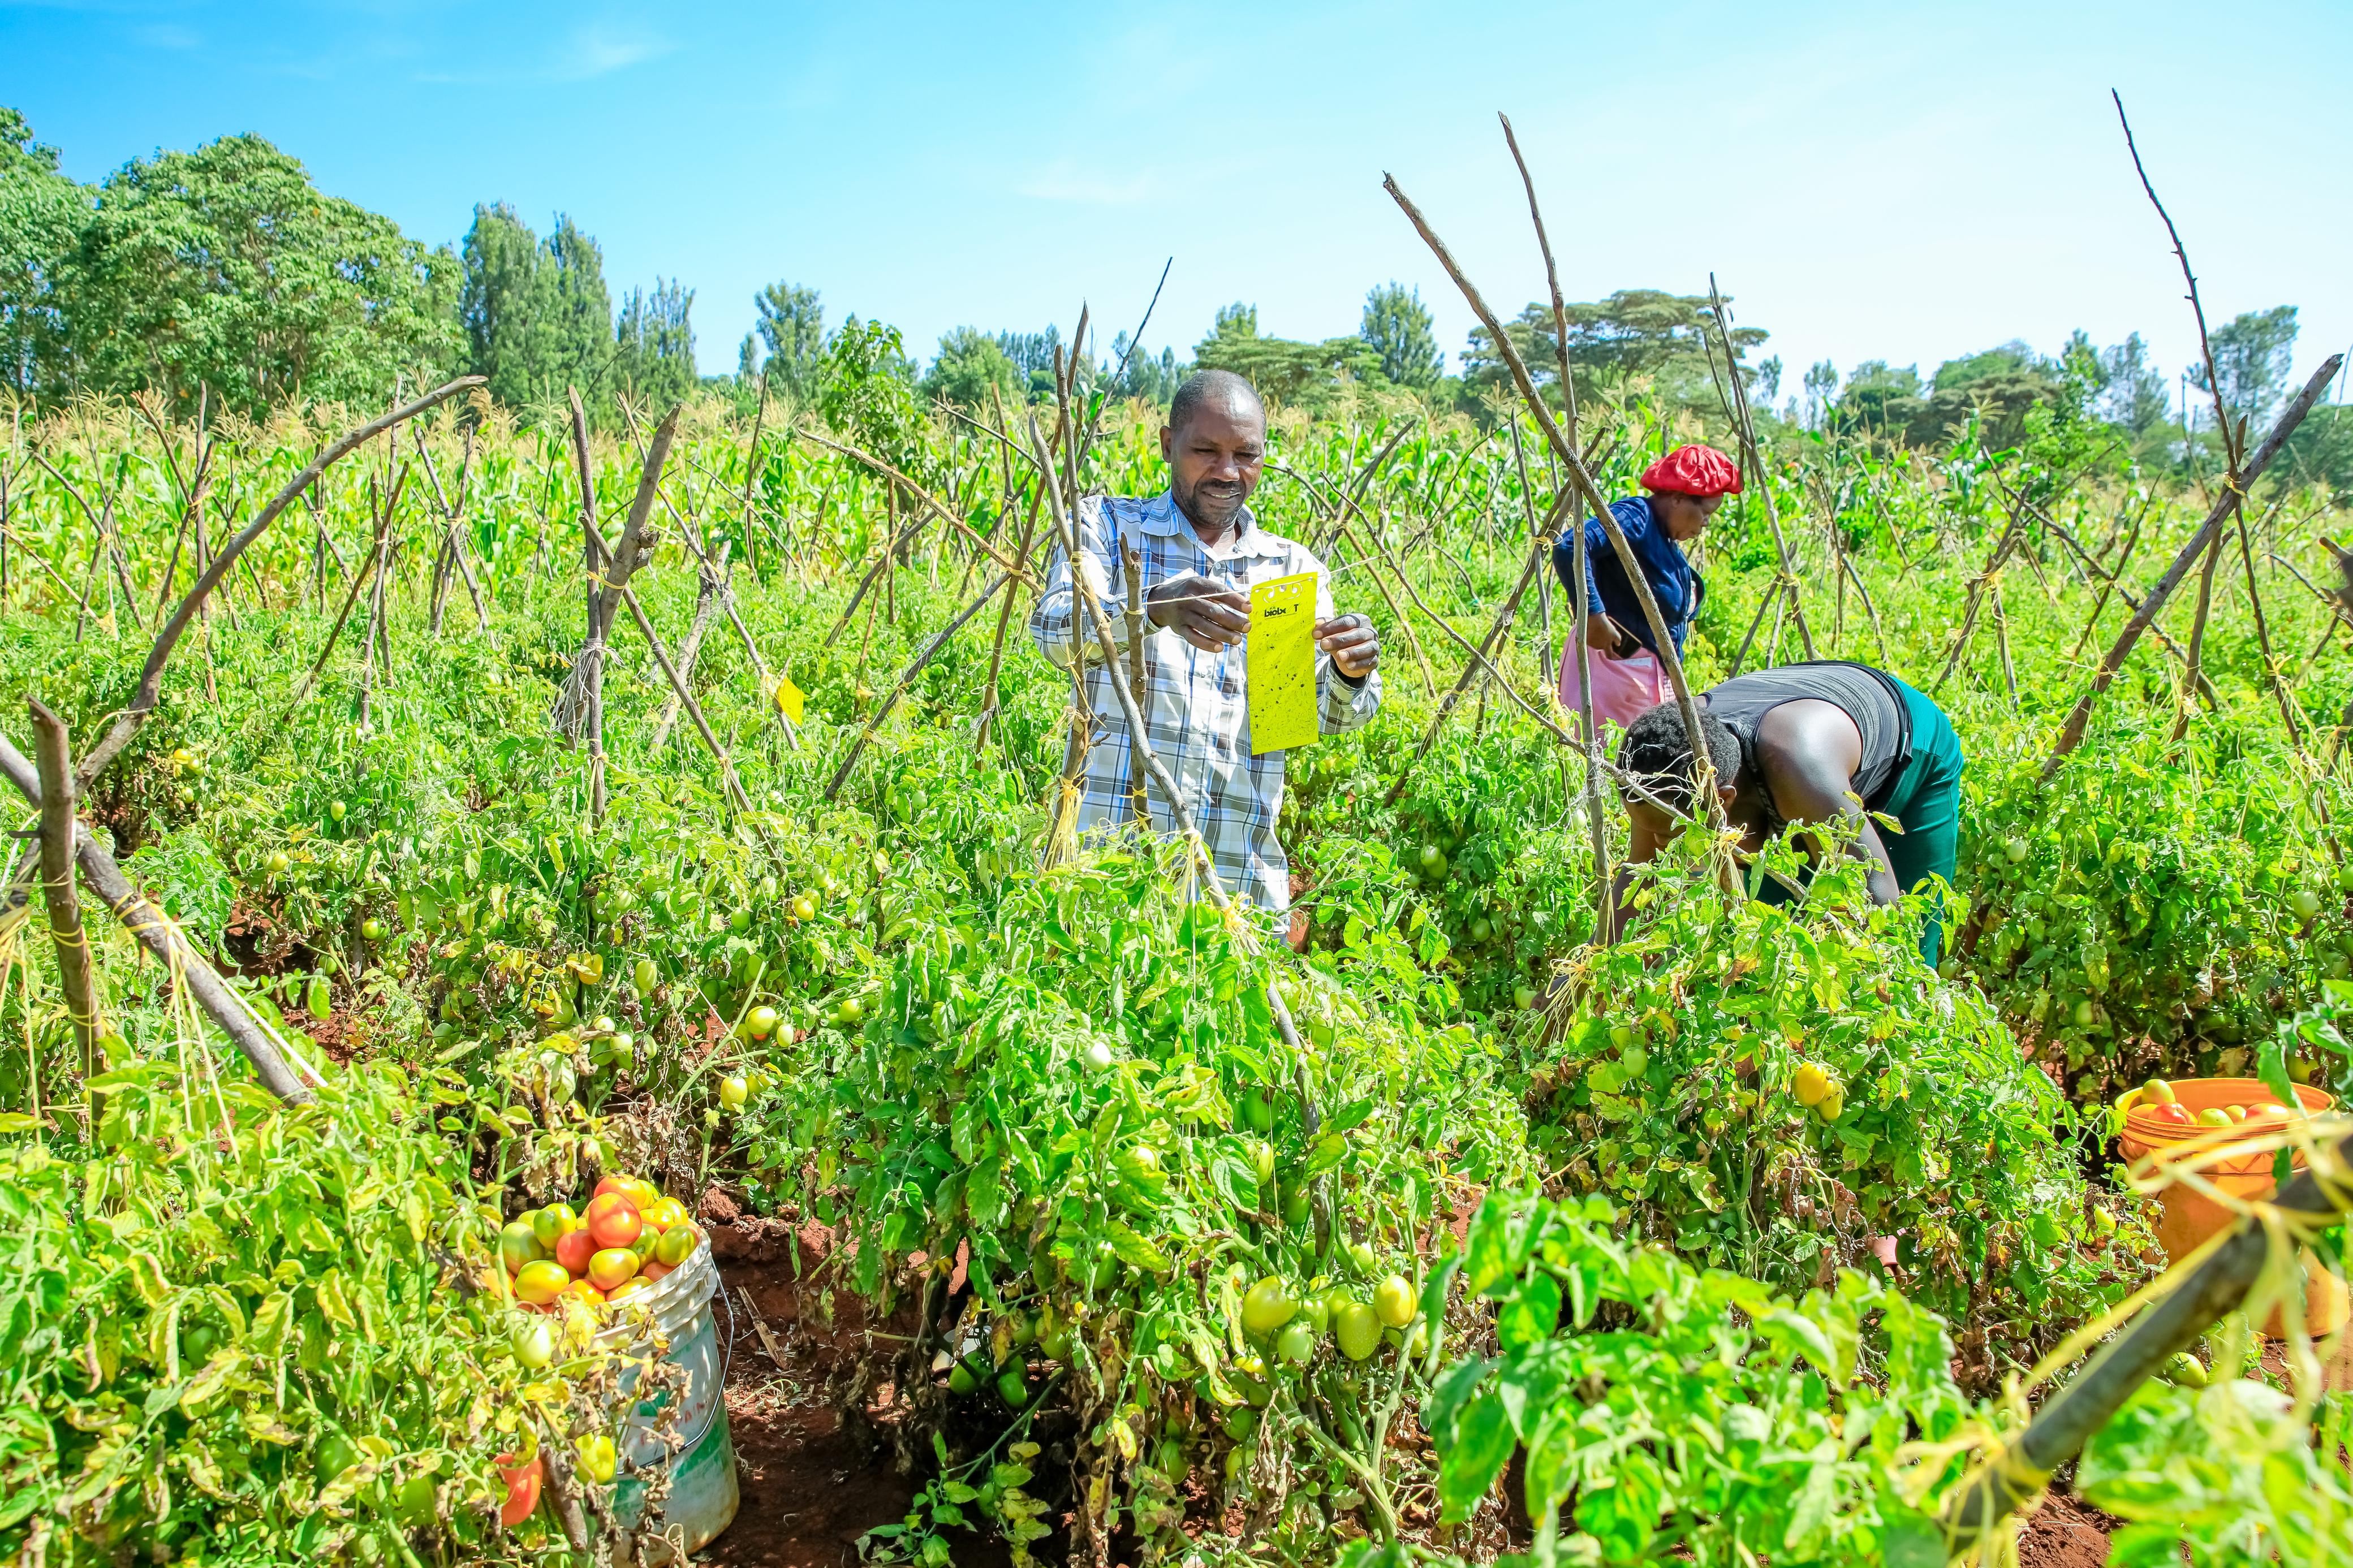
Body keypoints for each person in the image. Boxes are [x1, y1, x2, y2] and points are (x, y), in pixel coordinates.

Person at [1029, 369, 1381, 915]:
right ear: (1168, 444)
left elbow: (1313, 717)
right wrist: (1149, 610)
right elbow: (1055, 631)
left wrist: (1347, 675)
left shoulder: (1288, 569)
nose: (1227, 471)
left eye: (1246, 454)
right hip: (1108, 879)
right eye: (1206, 450)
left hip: (1237, 885)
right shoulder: (1108, 526)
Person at [1613, 660, 1966, 961]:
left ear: (1721, 799)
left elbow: (1878, 905)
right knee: (1767, 930)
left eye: (1667, 833)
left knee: (1912, 944)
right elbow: (1628, 904)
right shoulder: (1661, 778)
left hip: (1912, 748)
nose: (1660, 843)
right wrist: (1579, 982)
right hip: (1807, 730)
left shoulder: (1799, 768)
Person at [1554, 444, 1741, 732]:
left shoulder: (1665, 540)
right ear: (1678, 498)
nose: (1706, 523)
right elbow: (1572, 545)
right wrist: (1593, 615)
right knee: (1608, 760)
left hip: (1639, 678)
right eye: (1706, 512)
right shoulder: (1637, 518)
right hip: (1613, 671)